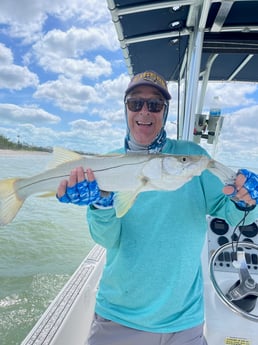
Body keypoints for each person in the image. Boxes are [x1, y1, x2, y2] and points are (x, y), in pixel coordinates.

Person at [57, 71, 258, 345]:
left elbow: (230, 211)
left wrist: (247, 200)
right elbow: (107, 240)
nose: (145, 112)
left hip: (186, 322)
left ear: (165, 111)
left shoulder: (192, 158)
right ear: (125, 108)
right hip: (120, 317)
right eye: (135, 103)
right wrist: (101, 205)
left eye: (155, 105)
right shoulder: (106, 165)